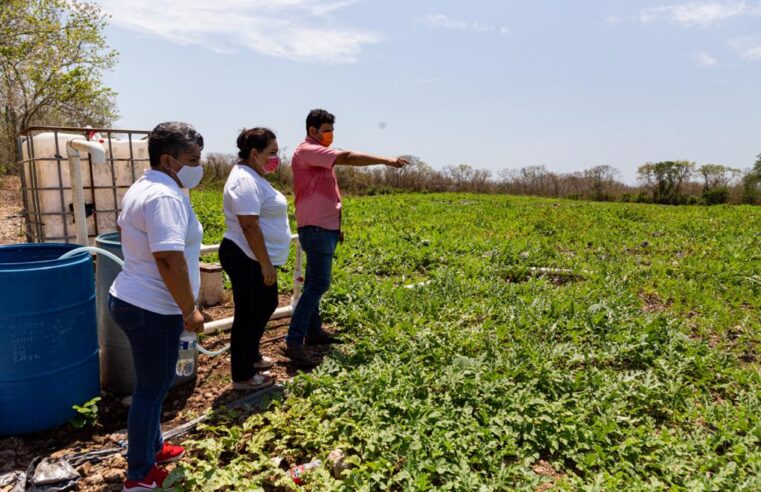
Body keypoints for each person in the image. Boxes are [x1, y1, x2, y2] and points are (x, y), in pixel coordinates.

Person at [108, 121, 206, 491]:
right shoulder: (165, 196)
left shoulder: (144, 186)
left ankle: (154, 448)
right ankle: (139, 475)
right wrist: (189, 310)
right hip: (153, 308)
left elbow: (126, 235)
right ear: (168, 159)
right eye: (192, 159)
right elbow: (168, 258)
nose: (199, 167)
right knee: (152, 389)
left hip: (132, 298)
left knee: (153, 383)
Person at [281, 108, 408, 367]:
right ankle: (293, 340)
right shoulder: (308, 151)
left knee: (313, 283)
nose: (330, 135)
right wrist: (386, 160)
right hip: (315, 227)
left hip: (323, 227)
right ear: (312, 131)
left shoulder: (318, 156)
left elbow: (326, 191)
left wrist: (336, 226)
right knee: (319, 284)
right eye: (326, 130)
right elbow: (347, 156)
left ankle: (313, 332)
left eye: (331, 130)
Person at [219, 128, 290, 390]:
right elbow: (249, 225)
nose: (276, 157)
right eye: (272, 152)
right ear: (254, 153)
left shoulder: (254, 176)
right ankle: (242, 376)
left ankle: (252, 356)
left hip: (255, 257)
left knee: (265, 305)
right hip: (246, 255)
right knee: (248, 314)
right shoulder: (243, 180)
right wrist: (265, 263)